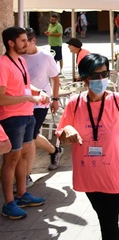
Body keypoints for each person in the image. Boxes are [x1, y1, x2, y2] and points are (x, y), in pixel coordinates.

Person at [55, 53, 119, 239]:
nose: (101, 79)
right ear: (84, 78)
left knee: (108, 220)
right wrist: (68, 130)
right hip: (88, 172)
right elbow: (62, 133)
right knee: (104, 217)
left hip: (113, 172)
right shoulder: (74, 103)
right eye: (94, 76)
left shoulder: (117, 100)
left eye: (104, 74)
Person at [0, 27, 48, 220]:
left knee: (23, 156)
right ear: (11, 43)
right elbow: (1, 98)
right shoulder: (3, 64)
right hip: (12, 117)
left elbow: (26, 86)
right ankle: (9, 203)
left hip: (26, 114)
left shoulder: (20, 61)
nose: (26, 43)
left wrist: (38, 92)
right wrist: (27, 99)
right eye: (22, 41)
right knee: (11, 159)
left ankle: (21, 195)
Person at [23, 28, 64, 178]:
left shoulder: (45, 56)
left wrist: (55, 99)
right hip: (23, 102)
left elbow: (55, 78)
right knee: (31, 136)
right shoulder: (19, 57)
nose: (22, 47)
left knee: (31, 136)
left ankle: (26, 175)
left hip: (41, 102)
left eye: (24, 42)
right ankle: (54, 151)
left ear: (32, 40)